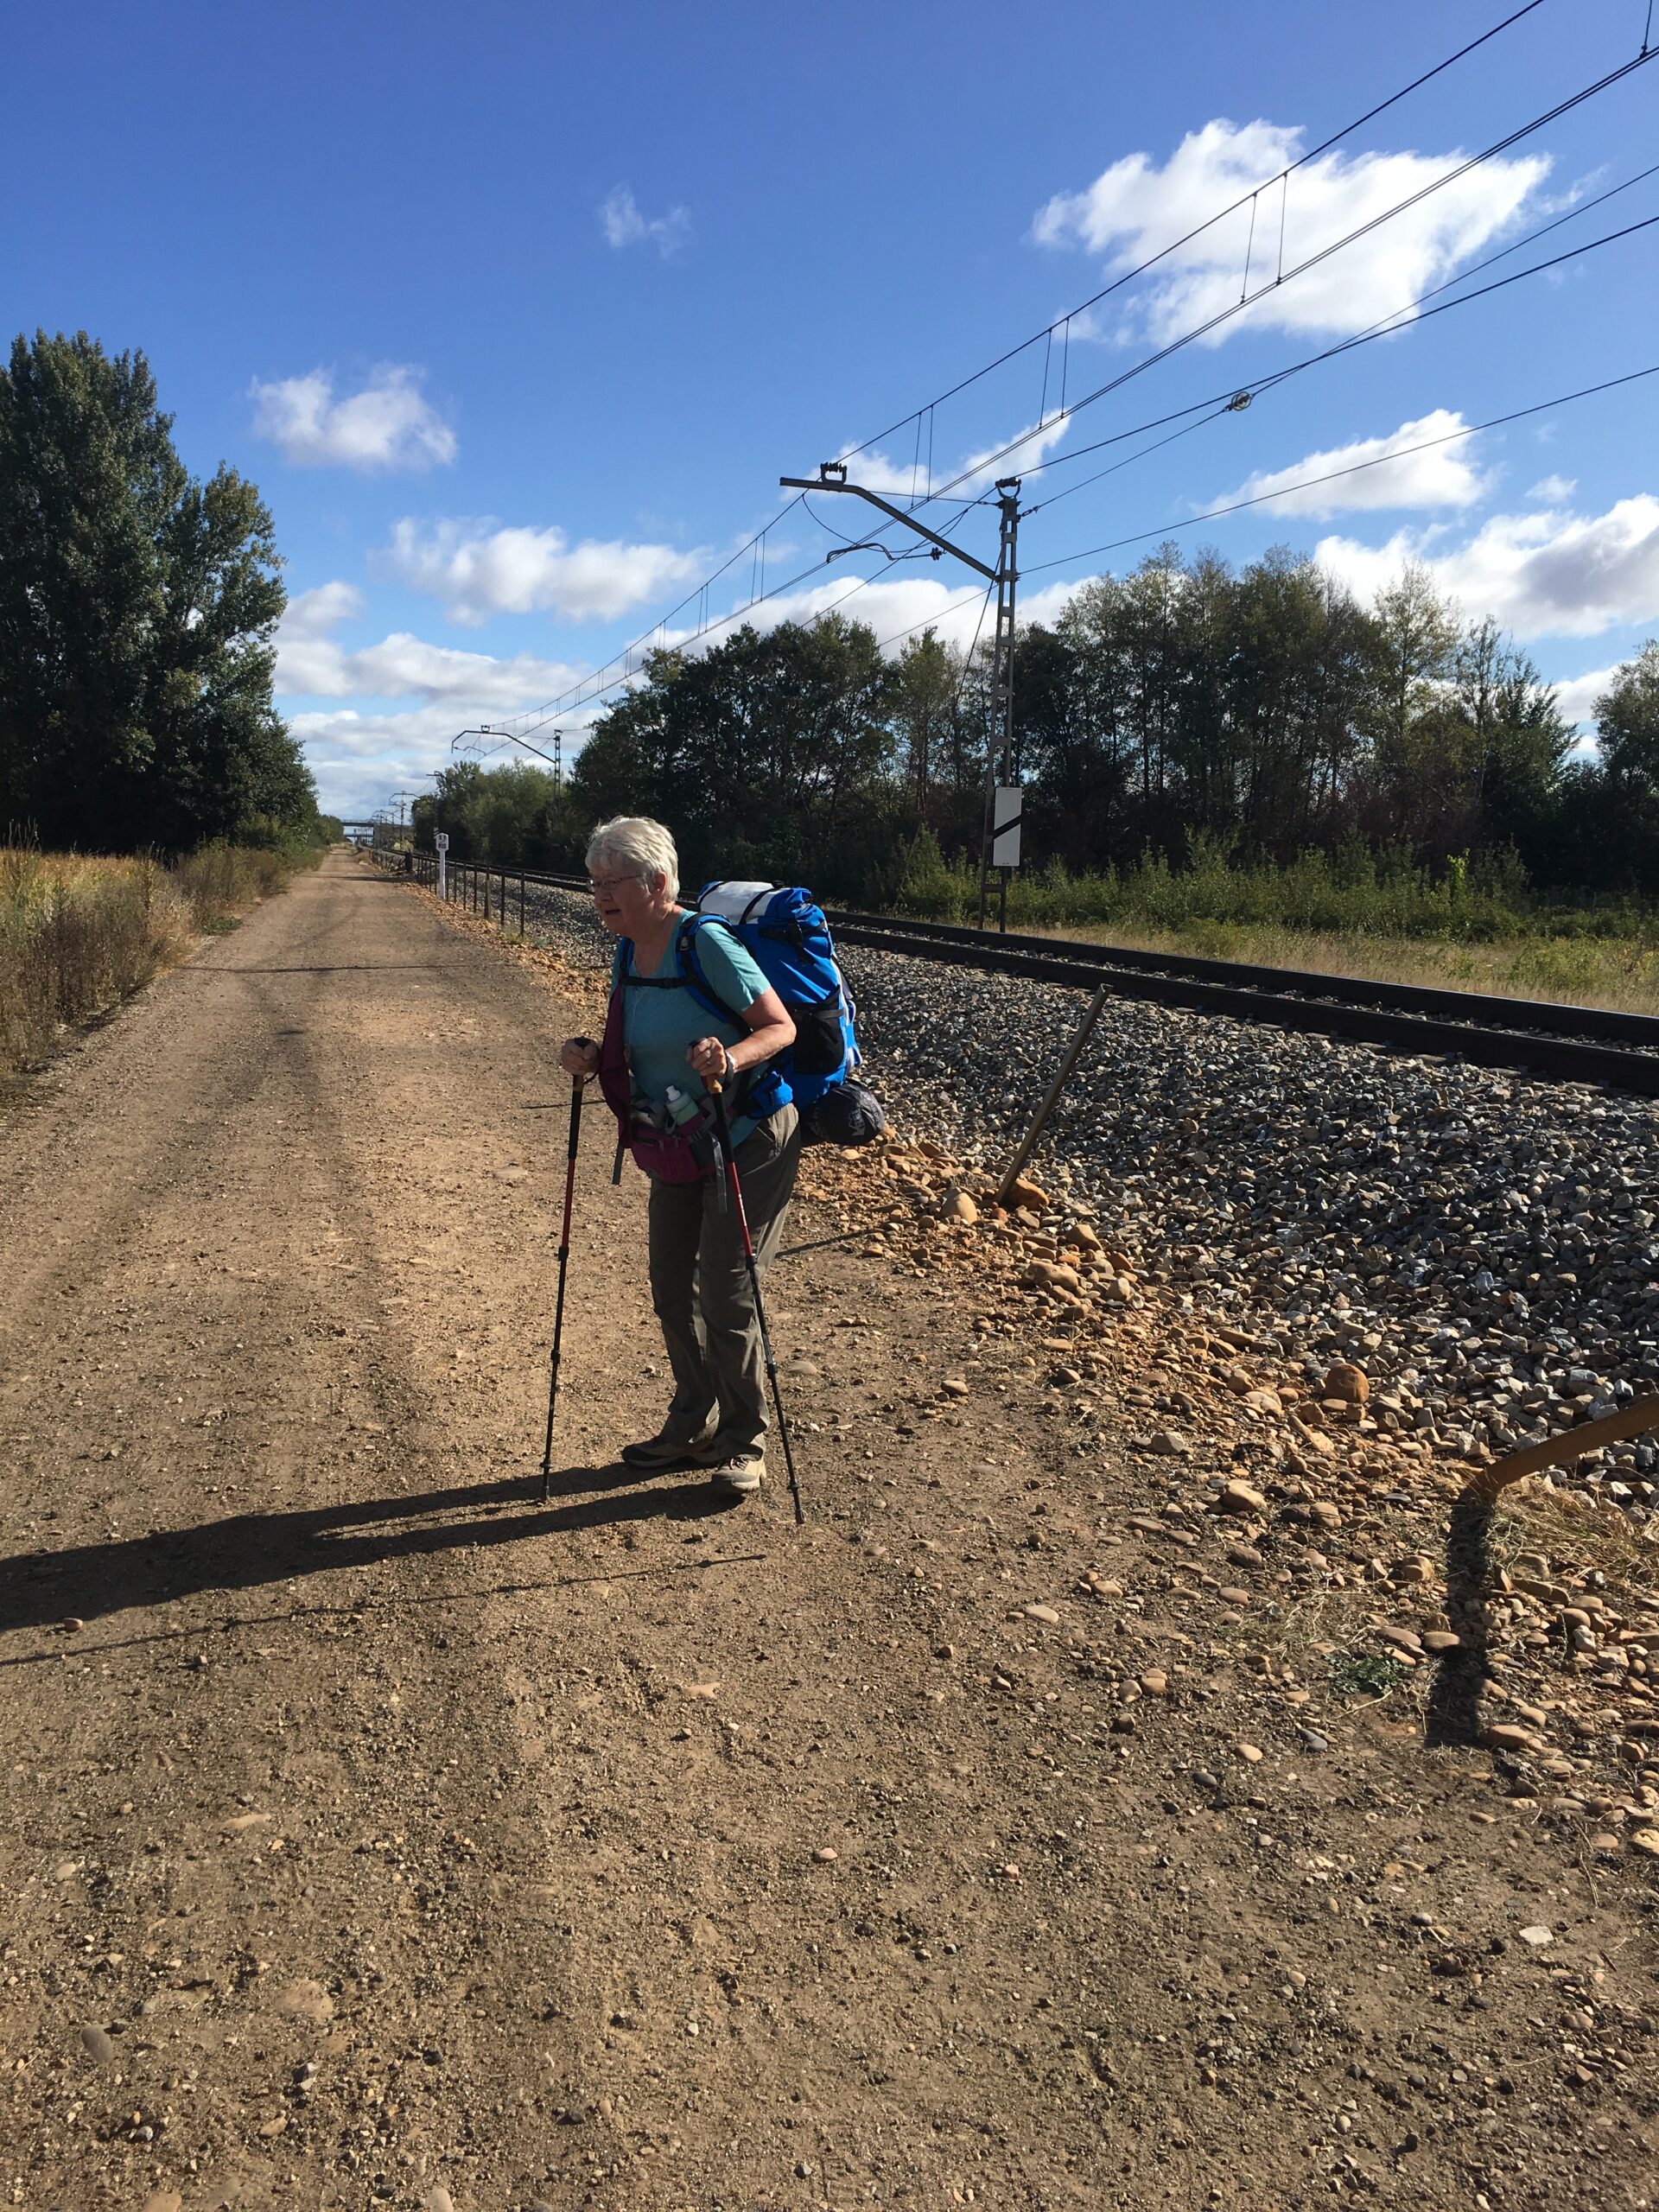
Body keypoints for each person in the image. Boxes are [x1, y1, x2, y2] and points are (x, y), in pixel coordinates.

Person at [559, 817, 801, 1497]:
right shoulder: (627, 951)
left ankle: (743, 1440)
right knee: (671, 1287)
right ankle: (692, 1424)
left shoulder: (705, 942)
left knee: (726, 1289)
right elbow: (639, 1038)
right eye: (594, 883)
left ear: (657, 882)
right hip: (678, 1140)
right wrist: (589, 1055)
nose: (600, 895)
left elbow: (779, 1027)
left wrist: (730, 1057)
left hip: (747, 1135)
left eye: (613, 882)